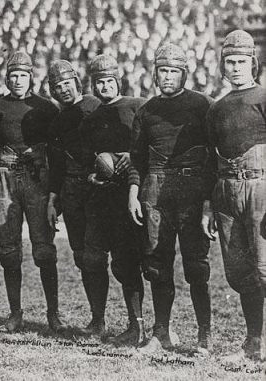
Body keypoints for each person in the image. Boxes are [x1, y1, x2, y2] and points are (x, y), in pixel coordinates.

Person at [128, 44, 214, 354]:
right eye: (162, 71)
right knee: (157, 262)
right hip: (156, 189)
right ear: (154, 73)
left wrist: (208, 201)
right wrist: (134, 192)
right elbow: (136, 158)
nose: (167, 77)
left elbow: (214, 157)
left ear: (184, 74)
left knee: (196, 266)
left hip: (191, 188)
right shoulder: (146, 110)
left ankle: (204, 335)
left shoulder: (203, 105)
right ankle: (160, 332)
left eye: (173, 71)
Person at [0, 51, 60, 332]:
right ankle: (15, 313)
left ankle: (53, 314)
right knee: (10, 249)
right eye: (13, 75)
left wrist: (52, 186)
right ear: (6, 77)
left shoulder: (47, 108)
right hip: (5, 177)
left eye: (22, 75)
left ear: (30, 77)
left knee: (43, 249)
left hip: (37, 177)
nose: (17, 80)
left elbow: (56, 149)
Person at [202, 29, 266, 362]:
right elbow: (211, 159)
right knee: (240, 273)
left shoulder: (264, 98)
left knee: (265, 268)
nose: (236, 67)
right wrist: (209, 207)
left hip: (261, 190)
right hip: (226, 192)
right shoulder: (217, 108)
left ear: (253, 63)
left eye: (242, 61)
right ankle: (253, 344)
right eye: (230, 62)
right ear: (222, 66)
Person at [79, 54, 146, 345]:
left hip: (128, 194)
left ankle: (137, 324)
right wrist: (91, 176)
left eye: (109, 81)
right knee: (92, 258)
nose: (104, 86)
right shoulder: (91, 117)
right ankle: (98, 322)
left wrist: (132, 156)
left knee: (125, 262)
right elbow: (85, 160)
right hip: (101, 195)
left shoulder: (136, 106)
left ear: (118, 81)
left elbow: (148, 147)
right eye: (99, 82)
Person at [46, 60, 101, 333]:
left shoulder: (94, 105)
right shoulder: (56, 122)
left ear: (76, 83)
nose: (63, 89)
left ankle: (135, 321)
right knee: (82, 256)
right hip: (72, 189)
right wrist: (53, 199)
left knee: (114, 255)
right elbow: (56, 165)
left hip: (100, 187)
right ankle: (98, 318)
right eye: (57, 86)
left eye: (67, 83)